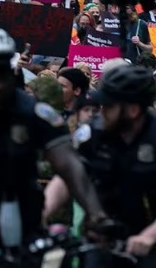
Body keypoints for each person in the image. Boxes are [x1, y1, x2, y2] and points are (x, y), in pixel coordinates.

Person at [0, 28, 111, 266]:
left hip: (23, 211)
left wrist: (97, 217)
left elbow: (70, 166)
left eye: (2, 75)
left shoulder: (36, 112)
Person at [44, 63, 156, 264]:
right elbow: (68, 175)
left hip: (147, 238)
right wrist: (43, 210)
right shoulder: (92, 133)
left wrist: (148, 237)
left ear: (132, 110)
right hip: (101, 236)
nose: (102, 111)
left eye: (110, 106)